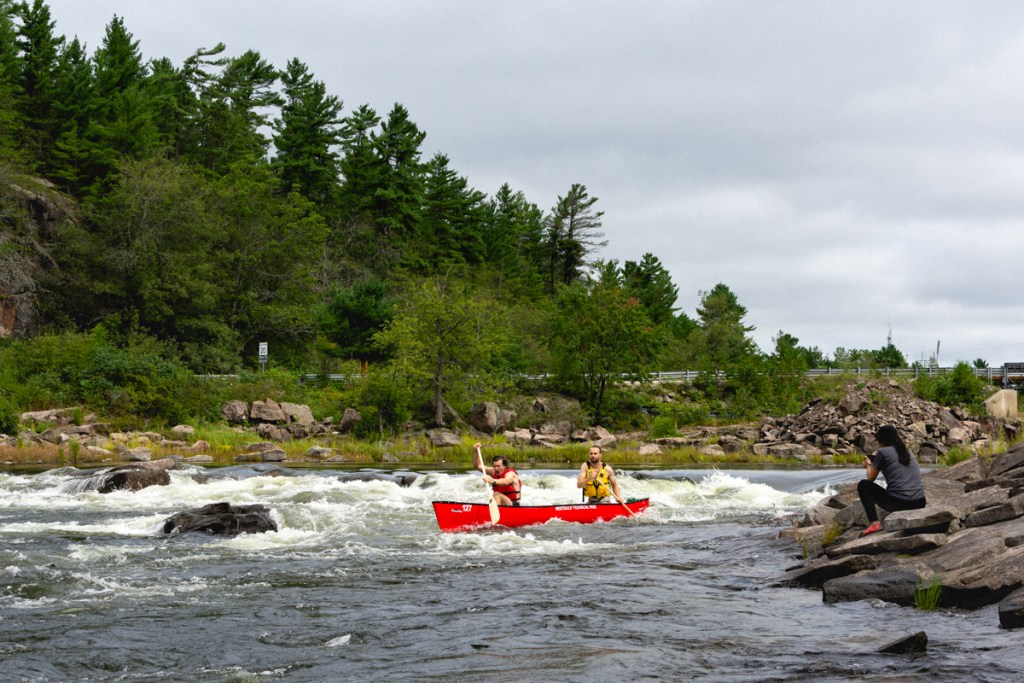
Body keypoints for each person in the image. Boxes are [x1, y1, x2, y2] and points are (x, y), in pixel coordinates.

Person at [857, 425, 927, 536]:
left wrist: (869, 464)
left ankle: (875, 523)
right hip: (920, 502)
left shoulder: (882, 452)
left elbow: (870, 478)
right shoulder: (907, 451)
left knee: (863, 485)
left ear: (881, 440)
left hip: (901, 504)